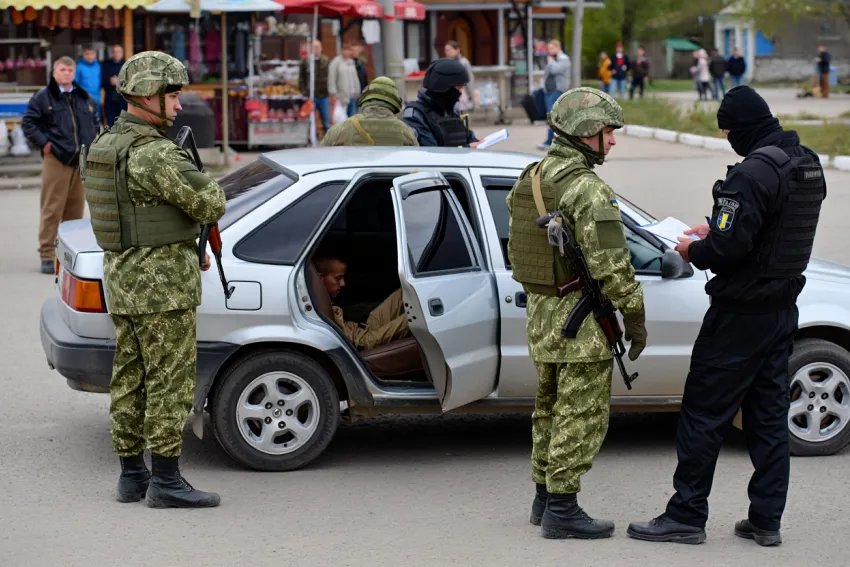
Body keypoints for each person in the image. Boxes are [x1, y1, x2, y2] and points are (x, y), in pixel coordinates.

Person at [627, 86, 826, 547]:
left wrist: (693, 248)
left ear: (743, 128)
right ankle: (766, 520)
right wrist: (715, 228)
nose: (727, 138)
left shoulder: (752, 172)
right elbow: (768, 231)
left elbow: (726, 249)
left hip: (738, 315)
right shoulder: (807, 164)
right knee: (768, 417)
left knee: (703, 413)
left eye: (728, 131)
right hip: (781, 311)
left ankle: (685, 516)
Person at [81, 51, 226, 509]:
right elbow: (212, 202)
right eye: (173, 95)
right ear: (148, 96)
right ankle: (165, 481)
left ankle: (131, 475)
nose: (180, 104)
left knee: (129, 377)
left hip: (124, 280)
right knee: (170, 381)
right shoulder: (156, 153)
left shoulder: (107, 143)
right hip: (162, 288)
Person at [506, 87, 647, 540]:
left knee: (548, 408)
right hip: (580, 323)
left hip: (542, 316)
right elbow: (613, 266)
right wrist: (635, 317)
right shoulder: (587, 188)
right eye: (608, 131)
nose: (613, 140)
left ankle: (544, 498)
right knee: (580, 414)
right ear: (586, 131)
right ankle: (563, 509)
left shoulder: (531, 176)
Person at [22, 56, 99, 274]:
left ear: (74, 73)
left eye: (70, 70)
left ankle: (69, 255)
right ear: (54, 72)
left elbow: (94, 122)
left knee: (75, 212)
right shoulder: (43, 97)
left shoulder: (84, 97)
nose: (67, 73)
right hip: (56, 159)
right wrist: (44, 143)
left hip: (80, 162)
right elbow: (28, 122)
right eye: (63, 69)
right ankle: (47, 254)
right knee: (52, 209)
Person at [313, 254, 410, 350]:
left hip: (362, 327)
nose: (343, 283)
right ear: (320, 279)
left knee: (406, 291)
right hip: (363, 341)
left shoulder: (323, 299)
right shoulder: (314, 306)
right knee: (414, 316)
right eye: (338, 279)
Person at [402, 58, 479, 148]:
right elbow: (430, 151)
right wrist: (467, 148)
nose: (461, 92)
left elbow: (469, 138)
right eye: (458, 88)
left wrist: (479, 143)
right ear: (444, 88)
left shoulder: (454, 110)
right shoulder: (415, 114)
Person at [320, 76, 418, 147]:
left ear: (365, 99)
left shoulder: (339, 130)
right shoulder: (405, 132)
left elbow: (321, 159)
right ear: (395, 103)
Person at [538, 40, 571, 151]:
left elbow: (555, 70)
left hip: (557, 90)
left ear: (558, 48)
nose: (550, 51)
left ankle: (550, 142)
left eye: (552, 48)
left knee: (553, 117)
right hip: (549, 91)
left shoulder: (564, 59)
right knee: (552, 117)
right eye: (549, 49)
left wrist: (551, 61)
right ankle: (553, 141)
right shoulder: (553, 59)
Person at [299, 40, 331, 137]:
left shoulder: (326, 61)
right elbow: (301, 79)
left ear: (321, 48)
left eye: (318, 47)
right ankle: (309, 138)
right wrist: (304, 93)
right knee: (309, 120)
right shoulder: (305, 62)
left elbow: (331, 77)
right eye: (314, 47)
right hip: (310, 96)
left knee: (326, 120)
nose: (316, 49)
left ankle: (328, 139)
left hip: (324, 95)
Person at [328, 42, 361, 118]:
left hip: (353, 96)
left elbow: (355, 78)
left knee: (353, 120)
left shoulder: (351, 62)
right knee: (342, 120)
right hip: (341, 98)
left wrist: (358, 91)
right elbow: (331, 79)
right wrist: (333, 93)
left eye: (349, 50)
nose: (347, 52)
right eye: (345, 50)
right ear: (342, 50)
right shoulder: (336, 62)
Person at [444, 40, 475, 112]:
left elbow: (469, 81)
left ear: (457, 50)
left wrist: (472, 98)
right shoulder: (444, 63)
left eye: (449, 50)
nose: (447, 52)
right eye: (446, 50)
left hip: (461, 98)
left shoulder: (464, 62)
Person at [101, 44, 127, 127]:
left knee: (122, 126)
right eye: (114, 52)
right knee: (110, 125)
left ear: (122, 53)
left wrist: (119, 81)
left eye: (118, 52)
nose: (116, 54)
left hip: (123, 101)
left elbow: (131, 83)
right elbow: (101, 82)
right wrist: (109, 81)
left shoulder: (127, 65)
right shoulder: (106, 65)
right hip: (110, 100)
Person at [75, 45, 102, 120]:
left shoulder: (98, 66)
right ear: (83, 54)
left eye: (92, 53)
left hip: (96, 100)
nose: (89, 56)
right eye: (87, 54)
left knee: (96, 121)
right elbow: (74, 84)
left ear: (95, 54)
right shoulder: (78, 67)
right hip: (84, 100)